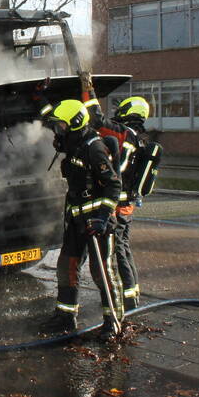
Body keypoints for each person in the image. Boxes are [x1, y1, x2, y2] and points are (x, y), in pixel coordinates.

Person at [39, 99, 125, 337]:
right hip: (76, 221)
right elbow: (53, 130)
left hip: (97, 223)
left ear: (75, 124)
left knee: (102, 272)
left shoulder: (93, 147)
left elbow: (113, 186)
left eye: (61, 126)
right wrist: (44, 107)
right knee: (66, 267)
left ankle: (113, 321)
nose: (58, 131)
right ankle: (65, 317)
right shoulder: (73, 143)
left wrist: (102, 217)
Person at [87, 96, 153, 312]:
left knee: (118, 251)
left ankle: (126, 299)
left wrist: (88, 92)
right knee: (124, 247)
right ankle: (131, 294)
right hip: (128, 203)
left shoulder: (124, 132)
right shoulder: (138, 137)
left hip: (118, 203)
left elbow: (97, 120)